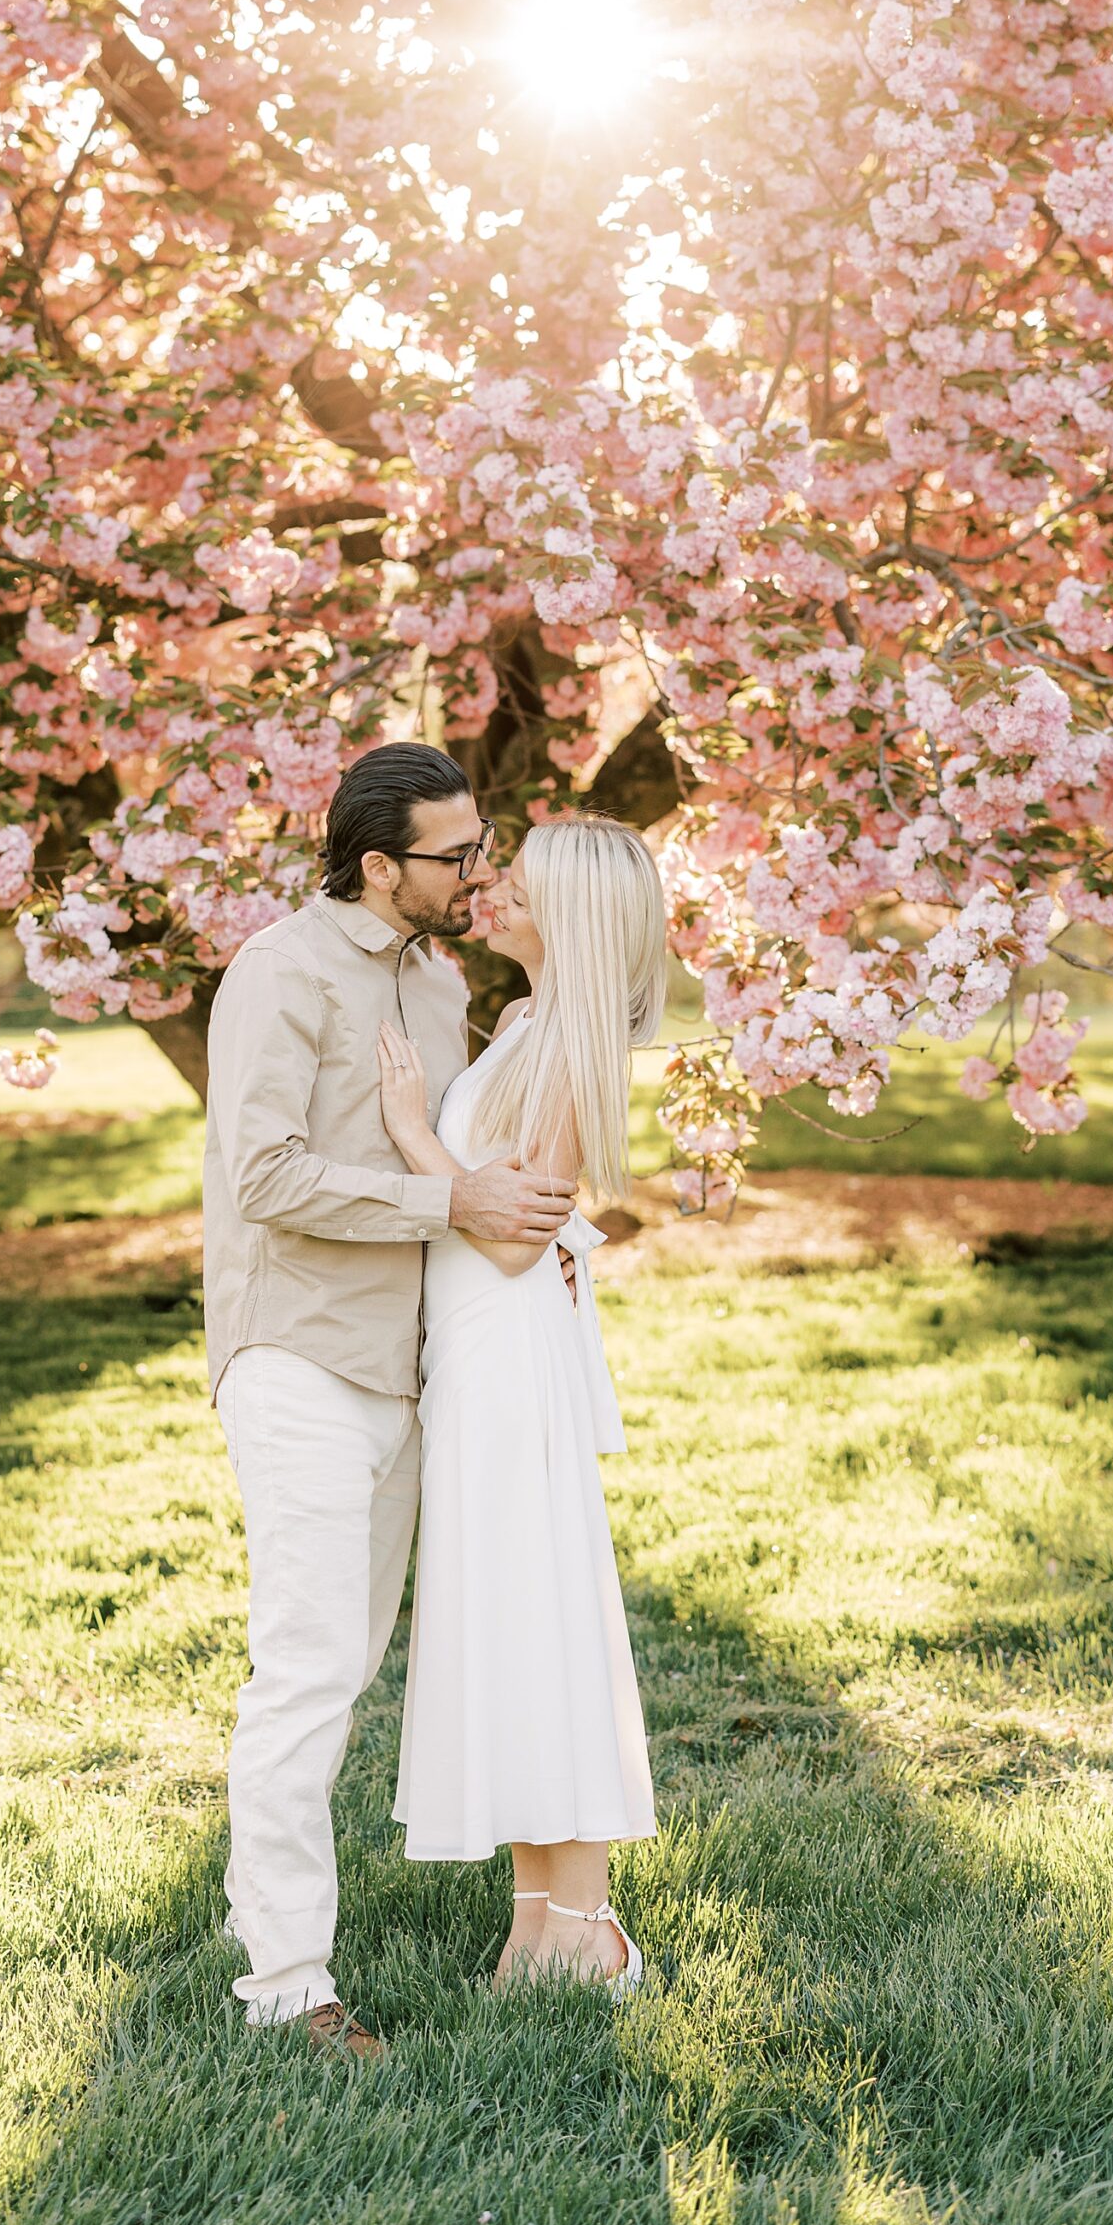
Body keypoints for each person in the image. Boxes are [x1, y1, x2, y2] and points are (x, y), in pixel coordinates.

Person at [204, 743, 576, 2057]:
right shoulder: (281, 970)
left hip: (411, 1372)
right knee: (307, 1668)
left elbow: (465, 1157)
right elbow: (263, 1176)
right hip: (297, 1353)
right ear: (378, 865)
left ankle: (261, 1911)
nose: (477, 872)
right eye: (453, 855)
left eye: (482, 848)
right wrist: (449, 1200)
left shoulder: (437, 979)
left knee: (346, 1666)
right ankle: (285, 1983)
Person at [376, 814, 666, 1996]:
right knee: (502, 1621)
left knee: (541, 1622)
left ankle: (590, 1929)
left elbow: (509, 1242)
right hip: (475, 1353)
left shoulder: (572, 1044)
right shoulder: (522, 1026)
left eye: (519, 880)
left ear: (571, 914)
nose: (490, 885)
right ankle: (536, 1923)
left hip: (508, 1348)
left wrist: (410, 1132)